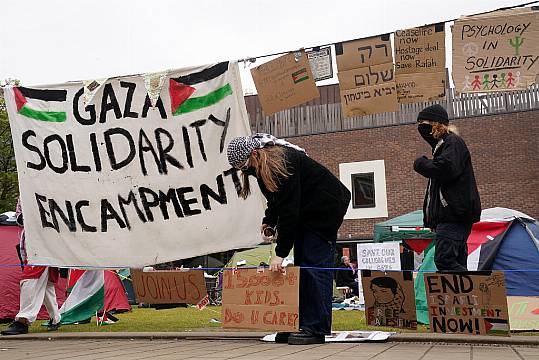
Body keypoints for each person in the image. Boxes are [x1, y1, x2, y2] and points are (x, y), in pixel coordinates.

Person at [227, 133, 351, 345]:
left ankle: (315, 328)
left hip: (323, 210)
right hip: (307, 211)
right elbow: (275, 200)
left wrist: (280, 254)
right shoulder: (262, 165)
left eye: (245, 166)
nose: (245, 171)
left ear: (255, 153)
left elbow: (289, 210)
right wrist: (269, 222)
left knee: (314, 269)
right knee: (303, 270)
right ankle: (299, 323)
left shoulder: (282, 162)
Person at [413, 104, 481, 272]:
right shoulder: (445, 146)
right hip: (453, 216)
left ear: (437, 124)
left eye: (424, 123)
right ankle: (467, 296)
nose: (421, 127)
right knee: (455, 259)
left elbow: (446, 169)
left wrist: (421, 163)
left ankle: (479, 290)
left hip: (453, 216)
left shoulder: (452, 142)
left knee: (444, 259)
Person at [1, 198, 61, 335]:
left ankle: (23, 320)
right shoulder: (24, 192)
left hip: (46, 244)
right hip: (30, 244)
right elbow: (19, 217)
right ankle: (56, 318)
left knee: (30, 280)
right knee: (46, 285)